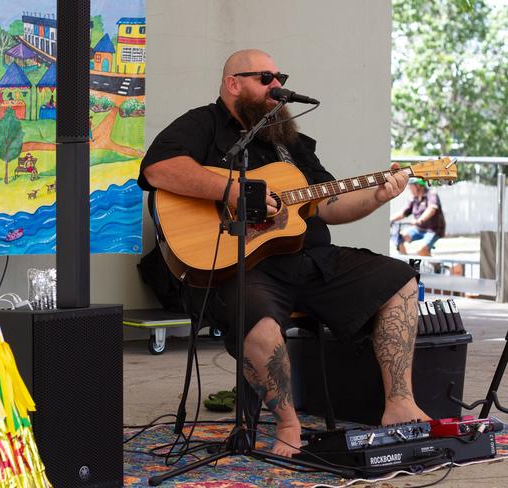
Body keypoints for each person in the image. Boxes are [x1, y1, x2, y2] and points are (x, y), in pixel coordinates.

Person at [138, 49, 429, 458]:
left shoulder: (289, 144)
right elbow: (159, 169)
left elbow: (329, 206)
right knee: (258, 322)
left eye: (280, 76)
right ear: (233, 84)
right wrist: (235, 191)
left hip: (310, 259)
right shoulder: (202, 124)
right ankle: (289, 426)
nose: (277, 85)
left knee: (399, 280)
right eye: (266, 77)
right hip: (241, 266)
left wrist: (378, 196)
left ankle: (399, 403)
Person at [391, 177, 446, 256]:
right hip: (419, 229)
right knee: (400, 238)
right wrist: (390, 220)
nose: (409, 189)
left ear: (419, 186)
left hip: (433, 230)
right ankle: (406, 265)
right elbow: (403, 213)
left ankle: (437, 268)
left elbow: (432, 209)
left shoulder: (431, 194)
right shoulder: (414, 199)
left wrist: (420, 220)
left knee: (421, 249)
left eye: (411, 186)